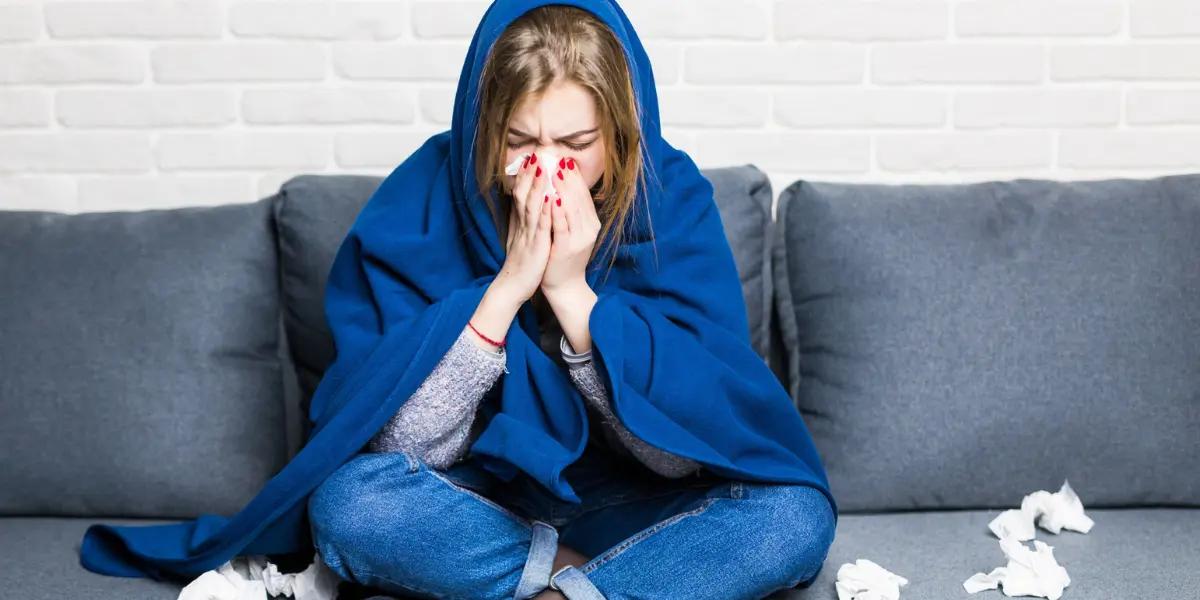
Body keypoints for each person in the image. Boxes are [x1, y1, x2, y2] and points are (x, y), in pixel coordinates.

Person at [79, 2, 838, 599]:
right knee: (350, 506)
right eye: (521, 141)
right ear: (484, 131)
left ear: (619, 136)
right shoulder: (420, 201)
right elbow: (402, 452)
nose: (548, 171)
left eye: (575, 145)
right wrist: (509, 288)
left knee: (793, 519)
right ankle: (592, 585)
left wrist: (573, 298)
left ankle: (561, 590)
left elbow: (679, 462)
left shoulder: (670, 202)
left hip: (638, 509)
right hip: (479, 512)